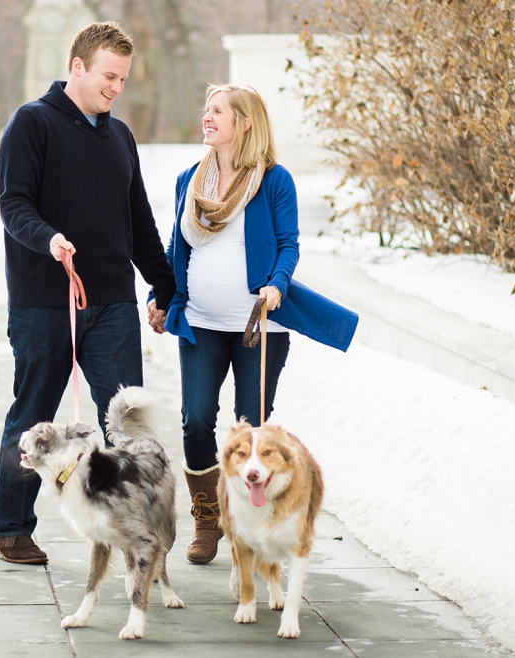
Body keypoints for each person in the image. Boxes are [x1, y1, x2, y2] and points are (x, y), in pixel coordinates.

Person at [0, 21, 176, 565]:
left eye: (123, 78)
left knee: (125, 418)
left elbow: (137, 220)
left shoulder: (120, 137)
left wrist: (163, 284)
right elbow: (13, 204)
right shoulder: (32, 124)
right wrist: (48, 239)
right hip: (42, 301)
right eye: (108, 75)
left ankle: (134, 525)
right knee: (33, 413)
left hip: (114, 300)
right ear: (77, 67)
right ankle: (11, 528)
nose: (116, 87)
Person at [147, 84, 358, 564]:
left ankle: (249, 521)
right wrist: (160, 296)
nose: (207, 117)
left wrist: (278, 284)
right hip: (199, 321)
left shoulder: (273, 180)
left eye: (217, 111)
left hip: (257, 326)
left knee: (251, 428)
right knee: (196, 419)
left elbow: (289, 243)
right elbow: (175, 250)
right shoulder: (189, 180)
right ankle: (208, 519)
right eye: (205, 109)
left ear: (244, 122)